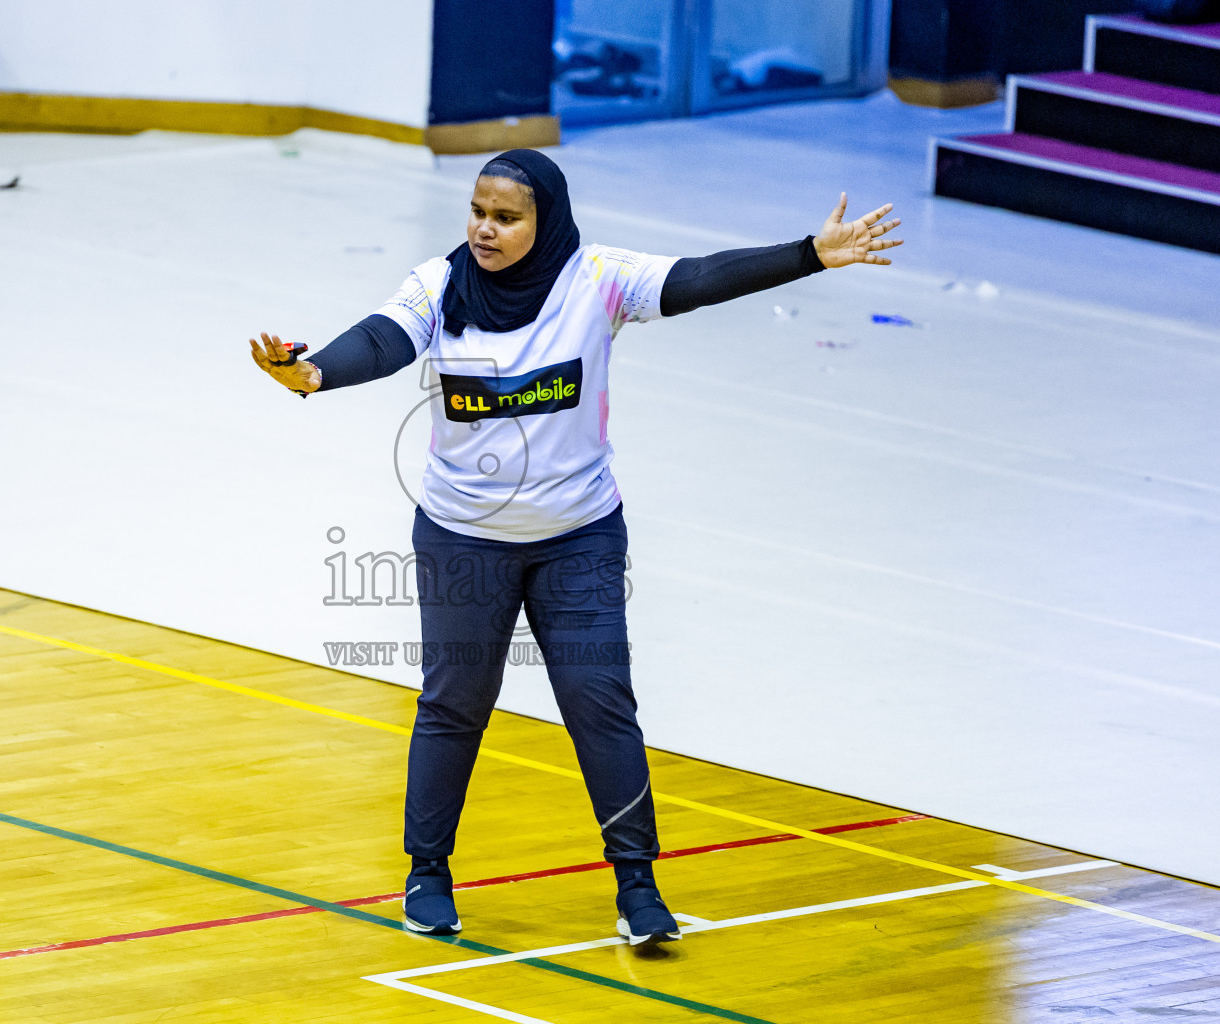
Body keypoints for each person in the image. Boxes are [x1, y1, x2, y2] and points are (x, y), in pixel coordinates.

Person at [250, 149, 901, 946]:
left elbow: (699, 278)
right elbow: (382, 341)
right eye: (477, 213)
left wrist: (808, 255)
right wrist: (313, 372)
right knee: (453, 706)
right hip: (463, 541)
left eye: (506, 218)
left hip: (579, 540)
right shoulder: (438, 285)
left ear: (544, 221)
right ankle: (427, 873)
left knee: (601, 707)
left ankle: (638, 887)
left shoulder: (599, 280)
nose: (484, 230)